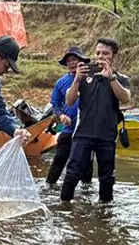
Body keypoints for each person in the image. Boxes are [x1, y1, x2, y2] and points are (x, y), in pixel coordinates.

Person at [60, 38, 132, 203]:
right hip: (83, 133)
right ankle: (64, 208)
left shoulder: (120, 78)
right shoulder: (85, 74)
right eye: (98, 52)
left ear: (114, 57)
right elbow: (69, 101)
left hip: (107, 135)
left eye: (105, 53)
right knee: (72, 173)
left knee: (107, 177)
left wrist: (111, 78)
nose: (100, 56)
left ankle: (105, 215)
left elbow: (126, 98)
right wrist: (77, 80)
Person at [45, 47, 91, 188]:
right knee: (59, 159)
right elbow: (55, 104)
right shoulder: (61, 82)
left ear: (81, 61)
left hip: (87, 129)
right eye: (69, 61)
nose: (71, 63)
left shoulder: (91, 78)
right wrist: (61, 115)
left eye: (74, 60)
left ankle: (86, 189)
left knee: (86, 162)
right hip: (68, 128)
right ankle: (49, 186)